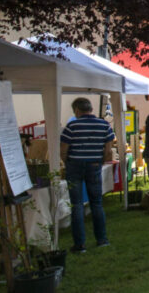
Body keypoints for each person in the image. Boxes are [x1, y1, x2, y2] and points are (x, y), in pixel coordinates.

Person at [59, 97, 114, 251]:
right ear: (90, 109)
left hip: (74, 165)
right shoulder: (104, 125)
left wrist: (66, 164)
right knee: (96, 203)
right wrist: (99, 161)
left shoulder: (72, 126)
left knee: (76, 205)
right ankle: (102, 240)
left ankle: (80, 244)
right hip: (94, 165)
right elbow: (108, 151)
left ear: (77, 109)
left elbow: (63, 150)